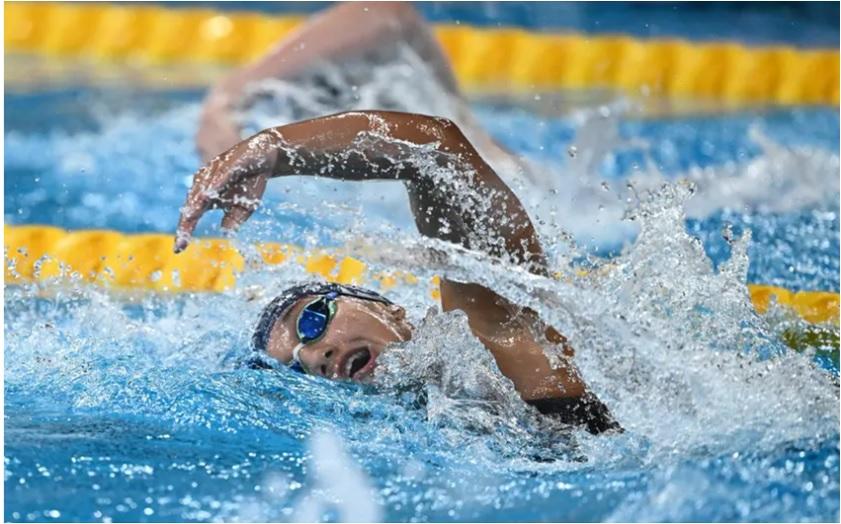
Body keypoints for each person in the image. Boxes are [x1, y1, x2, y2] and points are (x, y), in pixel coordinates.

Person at [174, 110, 620, 435]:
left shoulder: (491, 330)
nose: (313, 357)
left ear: (388, 308)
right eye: (295, 370)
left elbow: (438, 151)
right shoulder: (428, 428)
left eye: (311, 321)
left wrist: (273, 148)